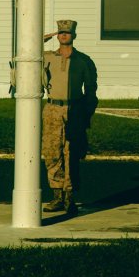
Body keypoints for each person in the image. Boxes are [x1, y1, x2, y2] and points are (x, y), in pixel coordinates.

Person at [41, 19, 98, 213]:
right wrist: (43, 38)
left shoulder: (84, 61)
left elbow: (91, 91)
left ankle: (70, 197)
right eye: (61, 32)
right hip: (52, 109)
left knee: (71, 153)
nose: (64, 35)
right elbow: (25, 53)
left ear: (74, 35)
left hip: (74, 109)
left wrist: (86, 116)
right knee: (52, 152)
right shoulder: (47, 57)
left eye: (67, 32)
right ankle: (57, 195)